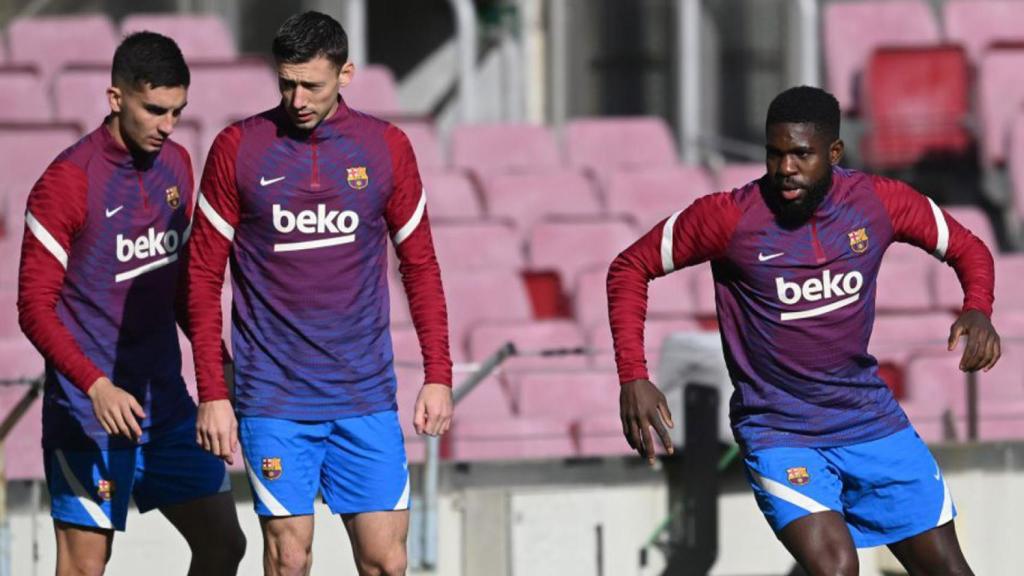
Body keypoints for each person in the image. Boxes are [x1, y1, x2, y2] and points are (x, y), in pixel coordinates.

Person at [607, 85, 1000, 575]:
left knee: (951, 571)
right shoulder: (730, 218)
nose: (785, 168)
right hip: (780, 431)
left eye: (800, 154)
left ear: (834, 153)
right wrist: (633, 374)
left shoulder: (878, 203)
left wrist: (978, 308)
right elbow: (629, 267)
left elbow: (969, 248)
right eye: (774, 154)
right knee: (836, 568)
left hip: (869, 421)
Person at [186, 11, 453, 576]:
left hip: (364, 394)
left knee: (386, 562)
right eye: (286, 83)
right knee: (289, 559)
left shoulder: (386, 147)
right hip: (274, 399)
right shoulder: (239, 148)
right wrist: (213, 389)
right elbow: (202, 276)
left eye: (312, 84)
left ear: (346, 73)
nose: (298, 98)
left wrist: (438, 374)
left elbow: (421, 266)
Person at [17, 32, 246, 576]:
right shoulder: (66, 183)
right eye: (155, 110)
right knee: (84, 568)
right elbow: (33, 306)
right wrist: (94, 385)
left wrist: (218, 368)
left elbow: (184, 288)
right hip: (90, 416)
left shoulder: (178, 167)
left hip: (166, 408)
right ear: (116, 98)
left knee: (224, 545)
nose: (168, 125)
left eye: (178, 111)